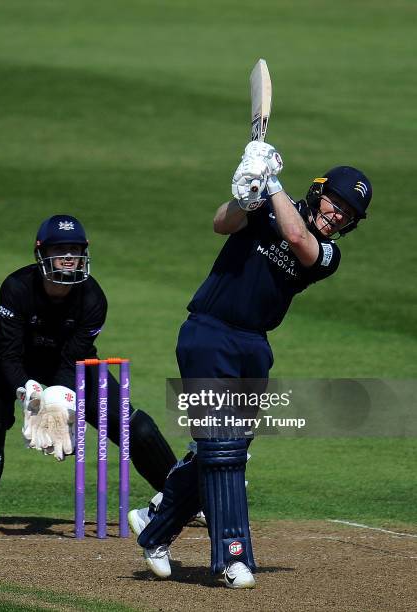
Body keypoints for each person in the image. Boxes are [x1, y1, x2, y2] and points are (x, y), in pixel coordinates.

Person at [128, 142, 372, 588]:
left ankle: (156, 525)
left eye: (347, 214)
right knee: (224, 448)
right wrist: (246, 194)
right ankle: (231, 557)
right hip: (209, 332)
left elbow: (299, 239)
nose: (337, 215)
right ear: (318, 193)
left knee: (226, 448)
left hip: (255, 345)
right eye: (334, 203)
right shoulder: (268, 207)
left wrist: (272, 182)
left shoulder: (328, 255)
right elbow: (222, 223)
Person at [0, 214, 177, 534]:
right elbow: (7, 353)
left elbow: (73, 359)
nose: (69, 257)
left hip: (73, 363)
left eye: (75, 249)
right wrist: (27, 391)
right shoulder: (16, 288)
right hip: (14, 359)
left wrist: (58, 401)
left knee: (132, 425)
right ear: (41, 254)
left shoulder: (93, 298)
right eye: (61, 250)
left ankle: (184, 499)